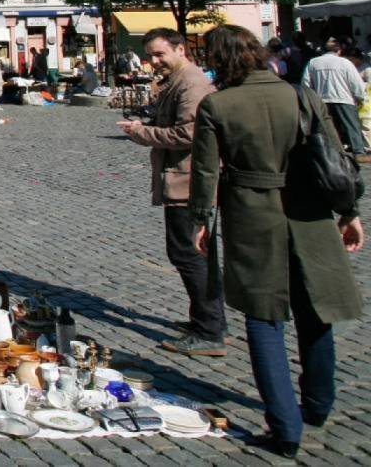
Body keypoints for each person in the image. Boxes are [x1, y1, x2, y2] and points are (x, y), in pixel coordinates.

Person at [189, 26, 364, 458]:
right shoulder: (302, 95)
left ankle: (285, 426)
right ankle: (318, 405)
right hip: (309, 212)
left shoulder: (218, 104)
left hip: (252, 213)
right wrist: (351, 213)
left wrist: (201, 221)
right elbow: (335, 159)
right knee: (315, 310)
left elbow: (206, 173)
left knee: (263, 317)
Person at [117, 28, 225, 355]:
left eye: (160, 54)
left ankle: (209, 330)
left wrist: (142, 132)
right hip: (182, 178)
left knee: (187, 253)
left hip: (188, 182)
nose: (154, 61)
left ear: (180, 49)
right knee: (194, 254)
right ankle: (208, 319)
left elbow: (190, 133)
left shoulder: (191, 83)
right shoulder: (179, 81)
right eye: (151, 55)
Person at [302, 38, 370, 158]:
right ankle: (359, 152)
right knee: (351, 126)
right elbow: (356, 83)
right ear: (338, 50)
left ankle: (330, 152)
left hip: (321, 100)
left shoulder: (313, 62)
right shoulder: (344, 62)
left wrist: (312, 99)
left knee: (327, 127)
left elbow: (306, 84)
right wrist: (360, 97)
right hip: (343, 98)